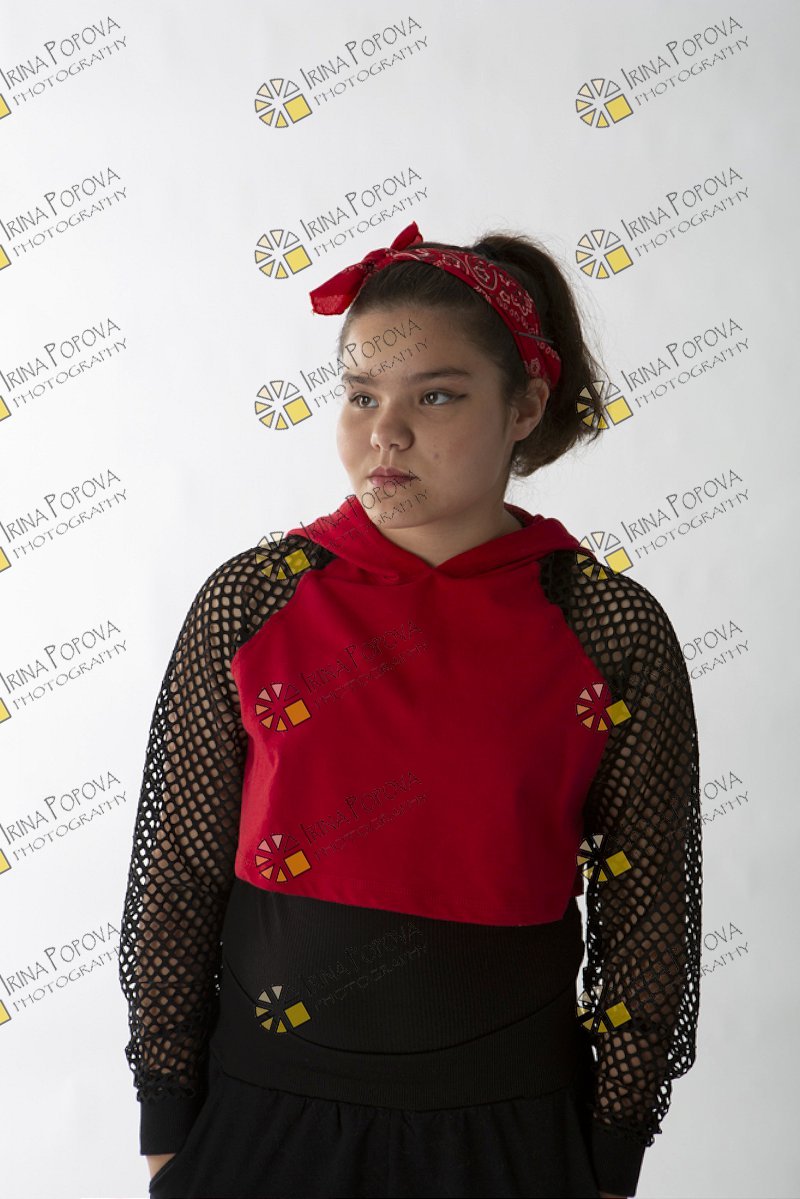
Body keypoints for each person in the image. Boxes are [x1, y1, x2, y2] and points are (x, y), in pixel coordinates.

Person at [118, 220, 702, 1199]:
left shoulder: (605, 628)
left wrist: (612, 1152)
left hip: (509, 1128)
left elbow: (645, 909)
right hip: (261, 1115)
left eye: (435, 395)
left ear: (525, 404)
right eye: (361, 395)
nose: (384, 432)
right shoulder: (254, 600)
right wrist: (168, 1123)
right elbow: (174, 871)